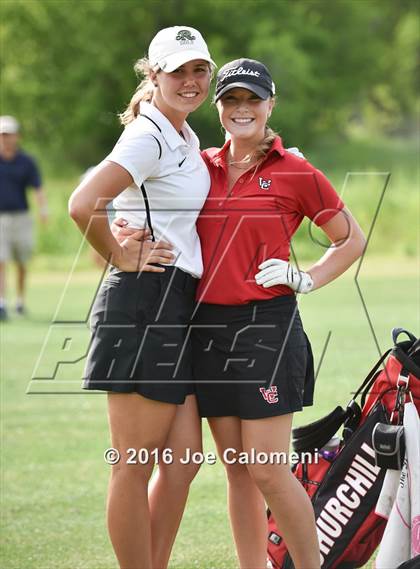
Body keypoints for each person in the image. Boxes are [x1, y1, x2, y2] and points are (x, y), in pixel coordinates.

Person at [112, 58, 366, 568]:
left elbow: (351, 239)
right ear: (219, 106)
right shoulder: (198, 165)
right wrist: (122, 231)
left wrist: (307, 277)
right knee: (237, 469)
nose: (242, 108)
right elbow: (141, 197)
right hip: (203, 329)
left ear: (271, 105)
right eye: (231, 99)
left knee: (268, 468)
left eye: (253, 99)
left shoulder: (296, 171)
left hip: (265, 329)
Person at [69, 26, 215, 569]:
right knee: (133, 463)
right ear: (152, 76)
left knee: (183, 460)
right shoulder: (148, 135)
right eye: (177, 71)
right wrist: (120, 254)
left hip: (173, 302)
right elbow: (85, 203)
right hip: (142, 301)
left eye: (199, 69)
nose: (190, 81)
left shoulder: (181, 134)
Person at [0, 115, 48, 320]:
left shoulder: (26, 161)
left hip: (21, 217)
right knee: (0, 260)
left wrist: (43, 209)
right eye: (2, 135)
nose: (5, 138)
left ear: (17, 136)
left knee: (21, 261)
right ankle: (2, 303)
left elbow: (37, 188)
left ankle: (20, 300)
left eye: (9, 134)